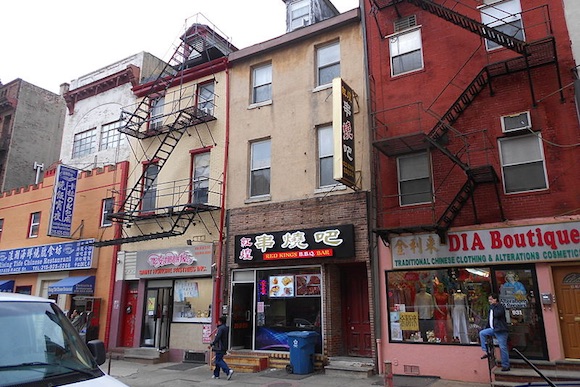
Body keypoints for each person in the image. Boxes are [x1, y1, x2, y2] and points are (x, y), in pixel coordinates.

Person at [479, 293, 510, 371]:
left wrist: (493, 307)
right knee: (482, 333)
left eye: (491, 299)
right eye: (489, 299)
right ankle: (486, 351)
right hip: (493, 329)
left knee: (503, 347)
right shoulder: (491, 308)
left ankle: (505, 365)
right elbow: (490, 319)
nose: (490, 301)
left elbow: (497, 315)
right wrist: (487, 327)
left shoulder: (499, 307)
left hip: (501, 330)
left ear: (495, 299)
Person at [209, 315, 234, 380]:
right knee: (218, 360)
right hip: (223, 346)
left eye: (218, 321)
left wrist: (212, 344)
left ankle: (228, 371)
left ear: (220, 322)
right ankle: (216, 374)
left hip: (219, 347)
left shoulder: (220, 329)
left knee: (218, 360)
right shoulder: (225, 328)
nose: (217, 322)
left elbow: (217, 337)